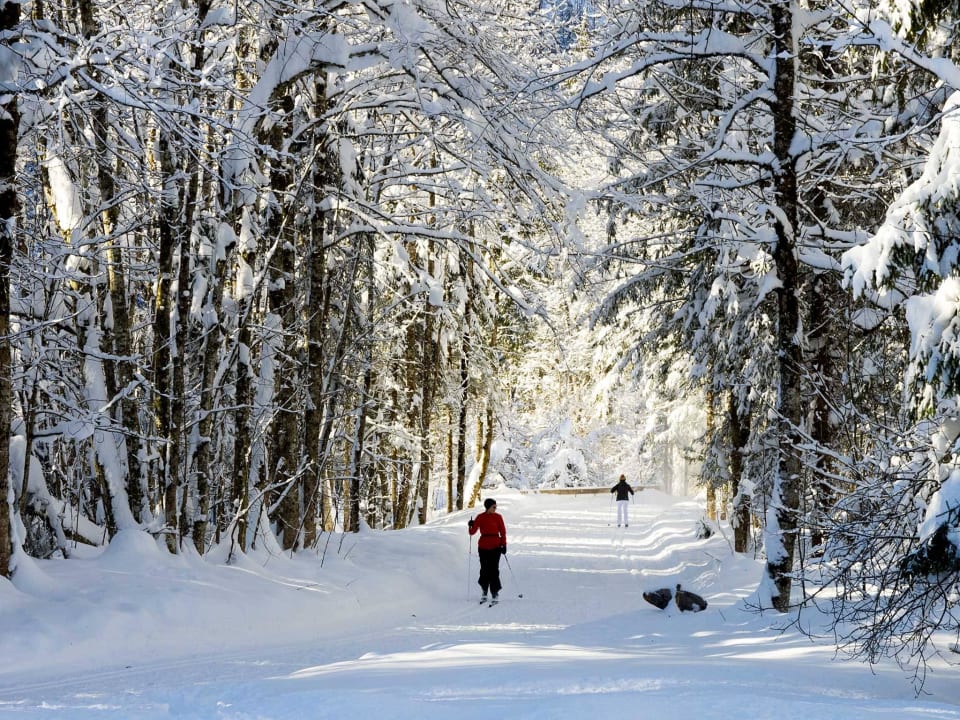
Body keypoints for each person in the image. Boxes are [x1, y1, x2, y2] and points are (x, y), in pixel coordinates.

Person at [468, 498, 507, 602]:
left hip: (496, 546)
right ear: (488, 507)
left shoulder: (498, 517)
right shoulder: (480, 517)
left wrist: (504, 545)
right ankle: (484, 590)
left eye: (496, 507)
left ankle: (495, 592)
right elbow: (472, 532)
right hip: (483, 546)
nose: (495, 508)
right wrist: (471, 525)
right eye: (494, 507)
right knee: (484, 569)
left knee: (494, 570)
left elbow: (503, 532)